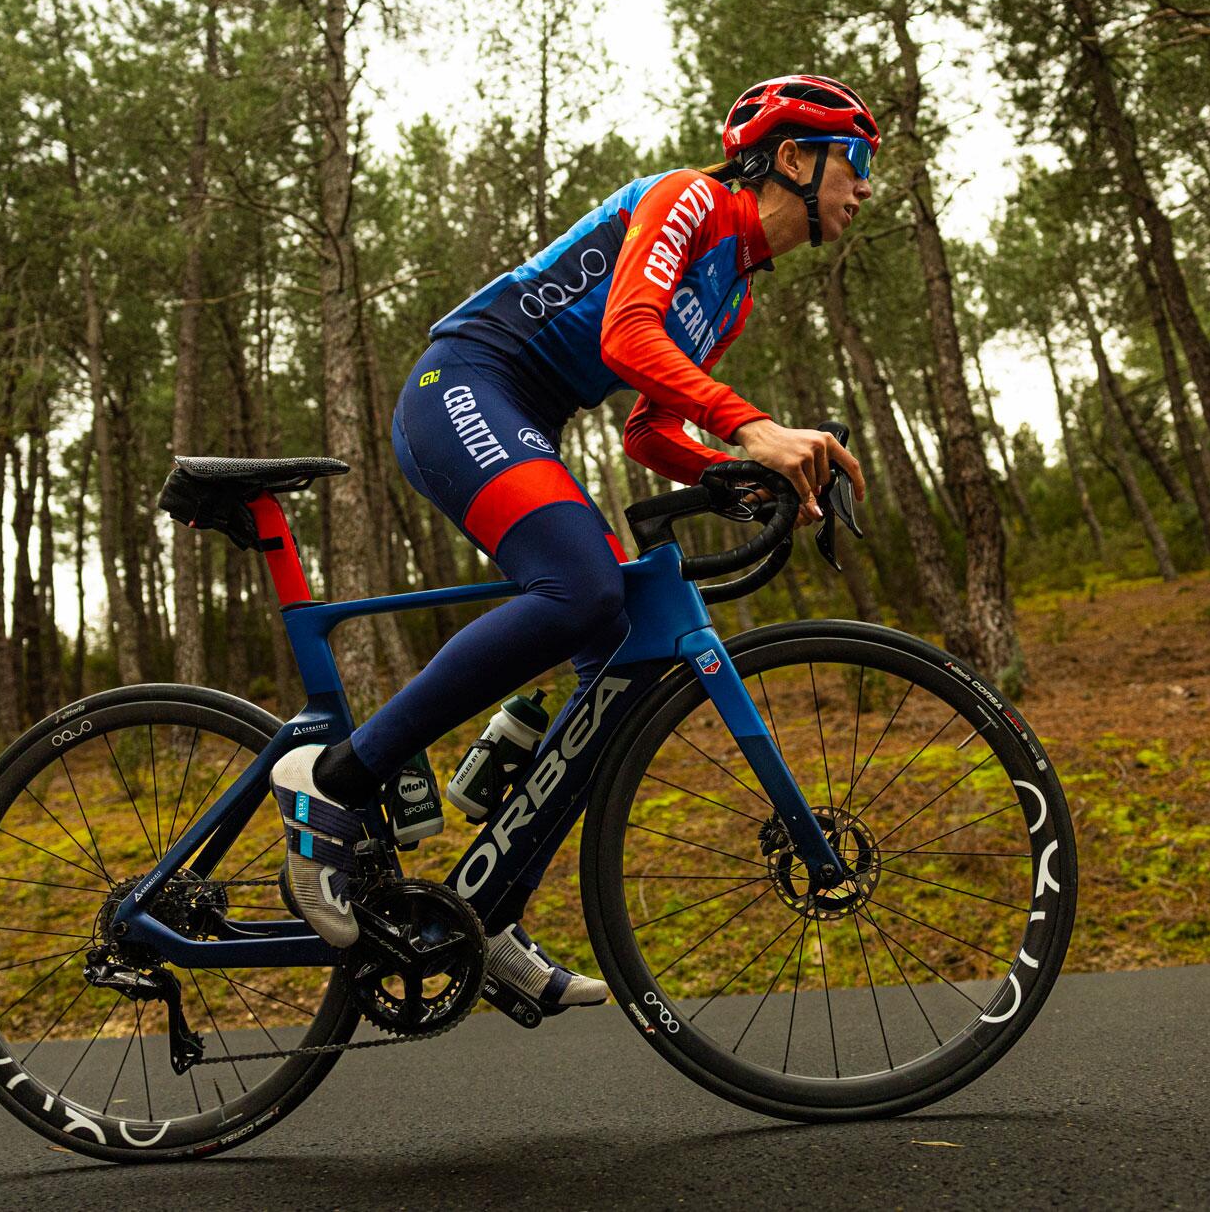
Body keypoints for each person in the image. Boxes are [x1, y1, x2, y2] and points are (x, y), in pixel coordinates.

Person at [273, 74, 876, 1011]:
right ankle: (338, 781)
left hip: (521, 415)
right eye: (857, 163)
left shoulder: (733, 297)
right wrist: (752, 425)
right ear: (794, 158)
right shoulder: (691, 199)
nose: (865, 188)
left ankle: (490, 901)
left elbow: (645, 431)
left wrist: (725, 470)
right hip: (465, 384)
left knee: (617, 662)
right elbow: (630, 335)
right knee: (583, 589)